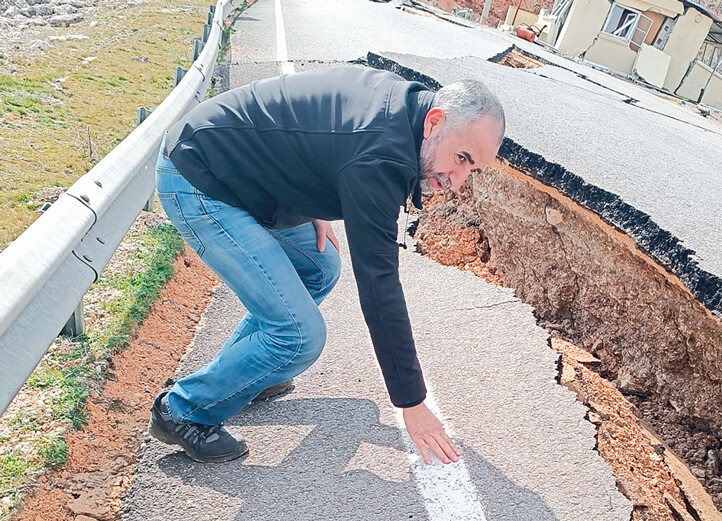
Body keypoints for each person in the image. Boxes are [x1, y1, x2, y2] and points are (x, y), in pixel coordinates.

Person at [148, 67, 505, 465]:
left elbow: (321, 135)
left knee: (319, 266)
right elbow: (379, 287)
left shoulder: (405, 109)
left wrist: (315, 199)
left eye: (471, 170)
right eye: (461, 159)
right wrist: (413, 402)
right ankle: (181, 410)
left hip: (240, 172)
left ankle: (248, 375)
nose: (458, 181)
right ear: (435, 122)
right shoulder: (380, 157)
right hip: (200, 179)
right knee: (299, 337)